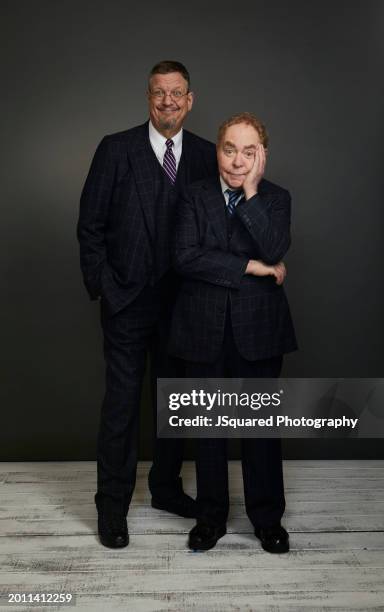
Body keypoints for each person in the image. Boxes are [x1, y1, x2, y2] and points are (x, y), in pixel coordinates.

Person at [77, 61, 217, 548]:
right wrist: (106, 288)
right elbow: (90, 226)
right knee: (121, 407)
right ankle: (112, 506)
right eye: (159, 93)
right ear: (148, 97)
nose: (168, 102)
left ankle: (165, 489)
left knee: (175, 405)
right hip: (127, 302)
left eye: (176, 93)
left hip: (184, 305)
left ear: (190, 99)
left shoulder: (205, 155)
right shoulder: (116, 149)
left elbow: (222, 227)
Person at [169, 112, 297, 553]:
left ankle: (267, 520)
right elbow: (185, 257)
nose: (237, 160)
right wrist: (250, 267)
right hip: (202, 329)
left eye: (249, 151)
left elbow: (275, 247)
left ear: (261, 155)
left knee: (260, 429)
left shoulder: (276, 199)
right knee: (209, 428)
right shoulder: (193, 195)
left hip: (258, 330)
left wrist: (252, 193)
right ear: (217, 149)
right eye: (229, 149)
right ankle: (210, 518)